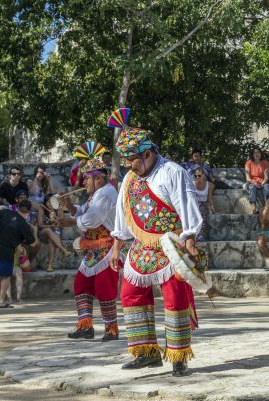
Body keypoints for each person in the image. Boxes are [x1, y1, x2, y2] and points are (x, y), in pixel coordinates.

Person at [108, 108, 203, 375]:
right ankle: (146, 352)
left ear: (147, 154)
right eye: (127, 161)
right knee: (130, 294)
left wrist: (190, 240)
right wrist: (117, 245)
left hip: (171, 246)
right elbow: (122, 213)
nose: (130, 166)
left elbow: (187, 206)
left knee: (175, 298)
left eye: (133, 160)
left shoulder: (172, 172)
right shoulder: (129, 179)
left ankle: (178, 356)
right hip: (141, 247)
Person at [54, 156, 121, 342]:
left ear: (98, 178)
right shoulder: (97, 195)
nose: (84, 182)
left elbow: (92, 219)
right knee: (82, 284)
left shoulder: (106, 193)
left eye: (87, 178)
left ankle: (112, 329)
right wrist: (69, 206)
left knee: (104, 288)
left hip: (108, 247)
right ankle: (85, 326)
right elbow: (84, 210)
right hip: (94, 249)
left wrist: (69, 221)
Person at [36, 194, 71, 272]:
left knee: (51, 240)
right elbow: (39, 225)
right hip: (43, 233)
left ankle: (50, 265)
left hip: (55, 233)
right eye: (48, 202)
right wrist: (51, 225)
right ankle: (63, 250)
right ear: (45, 202)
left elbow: (62, 222)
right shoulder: (42, 209)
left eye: (52, 201)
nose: (50, 204)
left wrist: (56, 220)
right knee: (48, 230)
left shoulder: (58, 209)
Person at [244, 148, 269, 213]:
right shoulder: (249, 163)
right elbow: (248, 178)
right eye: (255, 153)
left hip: (262, 182)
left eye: (258, 152)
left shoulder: (265, 163)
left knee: (267, 186)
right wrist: (254, 183)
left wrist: (263, 183)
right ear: (252, 154)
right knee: (252, 187)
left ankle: (267, 207)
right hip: (252, 182)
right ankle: (254, 207)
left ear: (261, 154)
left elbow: (266, 177)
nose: (257, 154)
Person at [192, 168, 214, 241]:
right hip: (195, 206)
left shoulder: (209, 185)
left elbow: (210, 198)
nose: (197, 177)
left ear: (204, 175)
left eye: (199, 175)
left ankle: (200, 235)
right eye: (196, 176)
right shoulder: (192, 184)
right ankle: (199, 235)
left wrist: (212, 208)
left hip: (204, 206)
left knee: (203, 208)